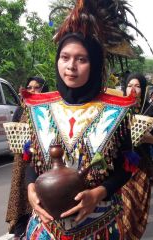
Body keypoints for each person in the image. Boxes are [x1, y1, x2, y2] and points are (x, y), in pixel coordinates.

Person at [22, 32, 138, 239]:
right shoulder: (39, 108)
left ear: (94, 65)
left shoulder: (115, 111)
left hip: (98, 226)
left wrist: (97, 194)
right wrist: (31, 190)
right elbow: (32, 161)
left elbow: (126, 167)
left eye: (81, 59)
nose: (71, 66)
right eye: (65, 57)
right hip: (45, 228)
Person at [122, 73, 153, 239]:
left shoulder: (151, 111)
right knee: (123, 213)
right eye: (129, 85)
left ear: (144, 89)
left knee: (137, 211)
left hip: (140, 168)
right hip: (119, 167)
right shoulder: (117, 109)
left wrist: (151, 139)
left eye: (137, 86)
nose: (133, 89)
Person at [5, 77, 48, 240]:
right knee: (21, 195)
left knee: (39, 195)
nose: (32, 91)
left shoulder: (46, 109)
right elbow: (14, 129)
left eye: (36, 88)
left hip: (39, 161)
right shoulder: (21, 108)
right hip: (21, 161)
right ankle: (19, 231)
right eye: (29, 87)